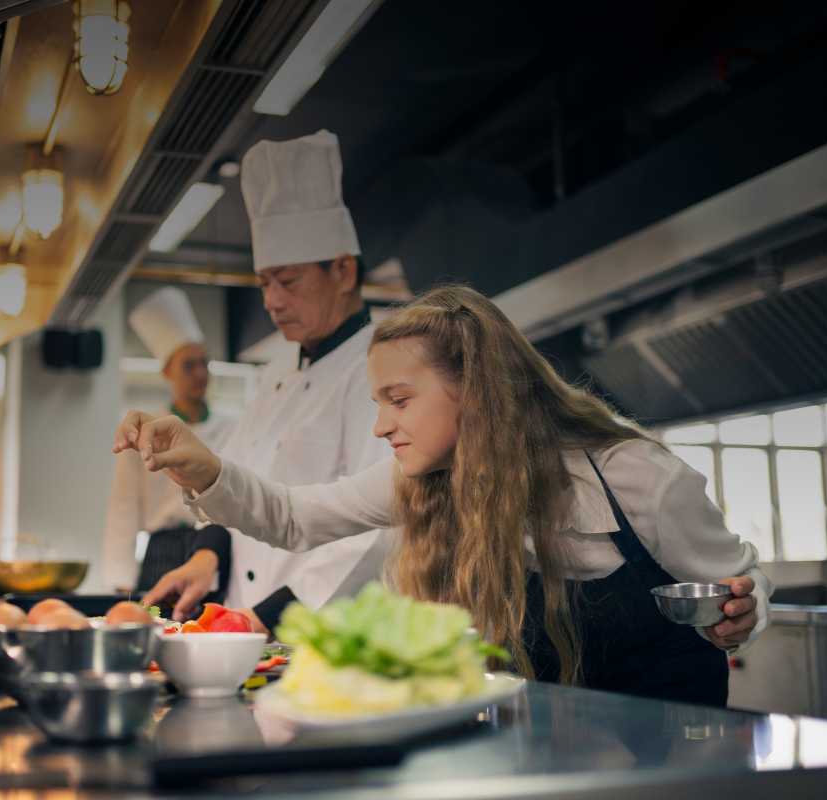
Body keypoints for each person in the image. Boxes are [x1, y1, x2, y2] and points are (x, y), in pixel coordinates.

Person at [115, 285, 773, 706]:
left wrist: (746, 611)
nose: (380, 425)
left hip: (674, 762)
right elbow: (292, 516)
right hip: (552, 758)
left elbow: (739, 583)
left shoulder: (634, 476)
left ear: (476, 390)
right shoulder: (422, 481)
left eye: (399, 400)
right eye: (379, 402)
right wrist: (201, 468)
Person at [140, 130, 391, 634]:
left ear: (342, 271)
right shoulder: (277, 375)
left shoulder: (381, 369)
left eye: (289, 282)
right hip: (242, 623)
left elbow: (375, 534)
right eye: (264, 284)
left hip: (314, 628)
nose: (272, 301)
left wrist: (268, 618)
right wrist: (207, 558)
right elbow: (236, 476)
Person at [102, 287, 235, 593]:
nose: (200, 373)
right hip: (163, 551)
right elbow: (124, 508)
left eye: (205, 363)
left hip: (212, 548)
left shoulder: (232, 428)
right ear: (166, 372)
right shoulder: (145, 430)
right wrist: (120, 582)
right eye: (189, 365)